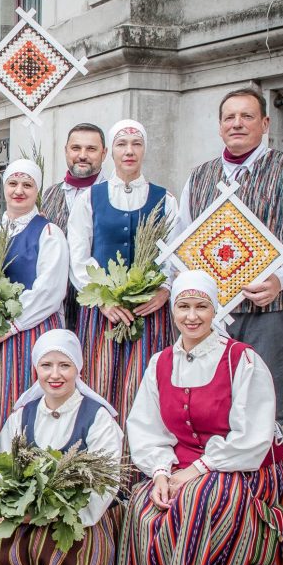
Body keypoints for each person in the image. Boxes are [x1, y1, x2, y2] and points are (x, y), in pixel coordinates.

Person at [117, 270, 283, 565]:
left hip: (243, 467)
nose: (192, 316)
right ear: (173, 311)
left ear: (216, 311)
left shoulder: (241, 360)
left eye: (201, 307)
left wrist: (197, 470)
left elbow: (254, 437)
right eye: (183, 306)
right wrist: (161, 472)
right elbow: (146, 426)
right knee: (145, 504)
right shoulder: (161, 362)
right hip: (181, 466)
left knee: (198, 503)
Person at [177, 88, 283, 423]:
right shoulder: (200, 177)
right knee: (208, 399)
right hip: (209, 314)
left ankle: (264, 459)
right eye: (229, 117)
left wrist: (281, 278)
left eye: (246, 116)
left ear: (264, 123)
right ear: (220, 126)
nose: (237, 124)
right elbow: (183, 239)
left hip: (269, 313)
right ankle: (211, 459)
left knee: (263, 401)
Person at [0, 329, 125, 565]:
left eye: (64, 365)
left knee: (56, 558)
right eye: (46, 365)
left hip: (78, 516)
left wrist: (57, 511)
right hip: (27, 514)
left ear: (78, 368)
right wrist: (18, 505)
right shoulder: (23, 415)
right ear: (35, 368)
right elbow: (0, 467)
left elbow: (106, 480)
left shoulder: (97, 417)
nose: (55, 374)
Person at [67, 119, 178, 417]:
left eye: (136, 144)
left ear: (144, 150)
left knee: (144, 385)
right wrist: (103, 299)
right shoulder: (90, 198)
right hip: (102, 311)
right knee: (99, 380)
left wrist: (165, 290)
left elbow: (174, 253)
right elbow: (79, 256)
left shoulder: (165, 200)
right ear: (110, 152)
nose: (129, 151)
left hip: (148, 310)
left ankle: (139, 445)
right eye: (122, 144)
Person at [0, 157, 68, 418]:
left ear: (37, 191)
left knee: (20, 400)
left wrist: (11, 326)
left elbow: (50, 291)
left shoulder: (48, 233)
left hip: (28, 330)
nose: (19, 190)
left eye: (27, 185)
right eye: (13, 183)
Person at [38, 123, 106, 329]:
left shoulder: (111, 195)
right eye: (76, 148)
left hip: (99, 305)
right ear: (66, 151)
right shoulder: (49, 195)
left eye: (91, 149)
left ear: (104, 153)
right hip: (55, 303)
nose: (82, 155)